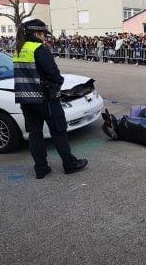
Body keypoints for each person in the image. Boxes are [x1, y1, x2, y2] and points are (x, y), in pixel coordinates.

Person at [13, 19, 88, 179]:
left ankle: (41, 168)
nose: (45, 38)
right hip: (45, 99)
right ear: (37, 33)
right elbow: (54, 74)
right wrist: (58, 83)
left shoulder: (19, 48)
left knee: (35, 134)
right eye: (43, 34)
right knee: (58, 131)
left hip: (25, 100)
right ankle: (69, 164)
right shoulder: (39, 49)